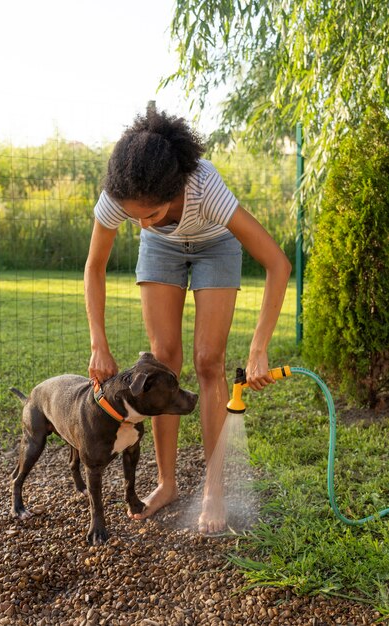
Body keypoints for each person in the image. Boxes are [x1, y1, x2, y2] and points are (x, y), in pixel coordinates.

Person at [84, 109, 291, 534]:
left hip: (216, 246)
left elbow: (277, 263)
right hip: (162, 252)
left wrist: (258, 347)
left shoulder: (205, 189)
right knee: (163, 360)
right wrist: (98, 342)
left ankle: (213, 489)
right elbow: (95, 267)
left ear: (173, 190)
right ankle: (167, 483)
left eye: (150, 213)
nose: (139, 223)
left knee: (209, 361)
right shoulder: (119, 194)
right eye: (132, 216)